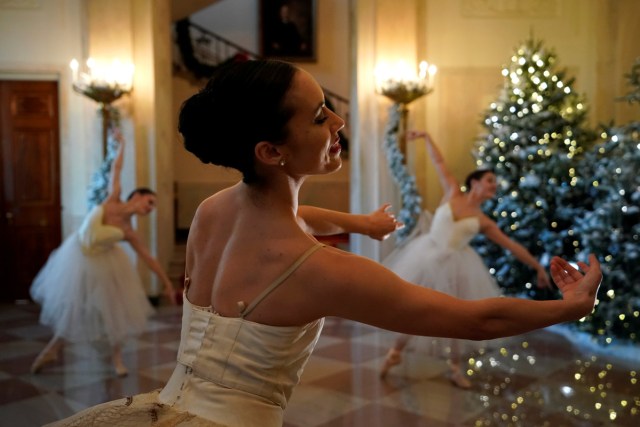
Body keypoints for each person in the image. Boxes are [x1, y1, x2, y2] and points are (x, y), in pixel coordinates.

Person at [46, 59, 601, 427]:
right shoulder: (319, 270)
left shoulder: (211, 212)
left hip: (164, 408)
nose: (338, 120)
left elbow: (285, 215)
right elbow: (475, 321)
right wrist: (567, 307)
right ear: (271, 151)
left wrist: (358, 223)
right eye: (318, 116)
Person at [379, 131, 553, 387]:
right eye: (490, 180)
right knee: (416, 308)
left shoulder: (484, 221)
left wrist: (538, 266)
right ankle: (396, 352)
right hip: (426, 255)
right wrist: (427, 137)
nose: (494, 186)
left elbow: (511, 245)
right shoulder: (452, 192)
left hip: (457, 267)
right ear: (475, 182)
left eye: (495, 183)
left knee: (456, 318)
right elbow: (439, 163)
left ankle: (455, 367)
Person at [30, 133, 177, 378]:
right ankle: (53, 348)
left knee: (114, 310)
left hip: (107, 265)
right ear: (137, 196)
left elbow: (149, 258)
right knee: (74, 308)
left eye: (152, 207)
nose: (149, 209)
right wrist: (122, 144)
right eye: (150, 202)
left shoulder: (130, 232)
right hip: (78, 257)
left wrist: (167, 283)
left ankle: (117, 358)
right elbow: (117, 168)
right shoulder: (113, 199)